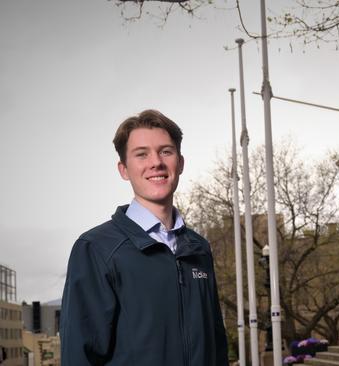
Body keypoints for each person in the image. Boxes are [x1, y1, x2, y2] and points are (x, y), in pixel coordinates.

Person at [61, 110, 228, 365]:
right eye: (142, 154)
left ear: (180, 163)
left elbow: (216, 346)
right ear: (124, 169)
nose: (156, 163)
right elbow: (79, 355)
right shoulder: (96, 249)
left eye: (165, 151)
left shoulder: (199, 248)